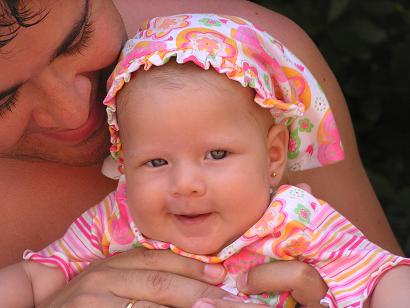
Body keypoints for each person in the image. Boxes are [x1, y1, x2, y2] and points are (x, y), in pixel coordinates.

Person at [0, 1, 403, 307]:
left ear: (275, 153)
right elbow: (35, 277)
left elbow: (382, 275)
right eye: (5, 98)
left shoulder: (294, 218)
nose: (73, 111)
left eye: (78, 38)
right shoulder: (119, 218)